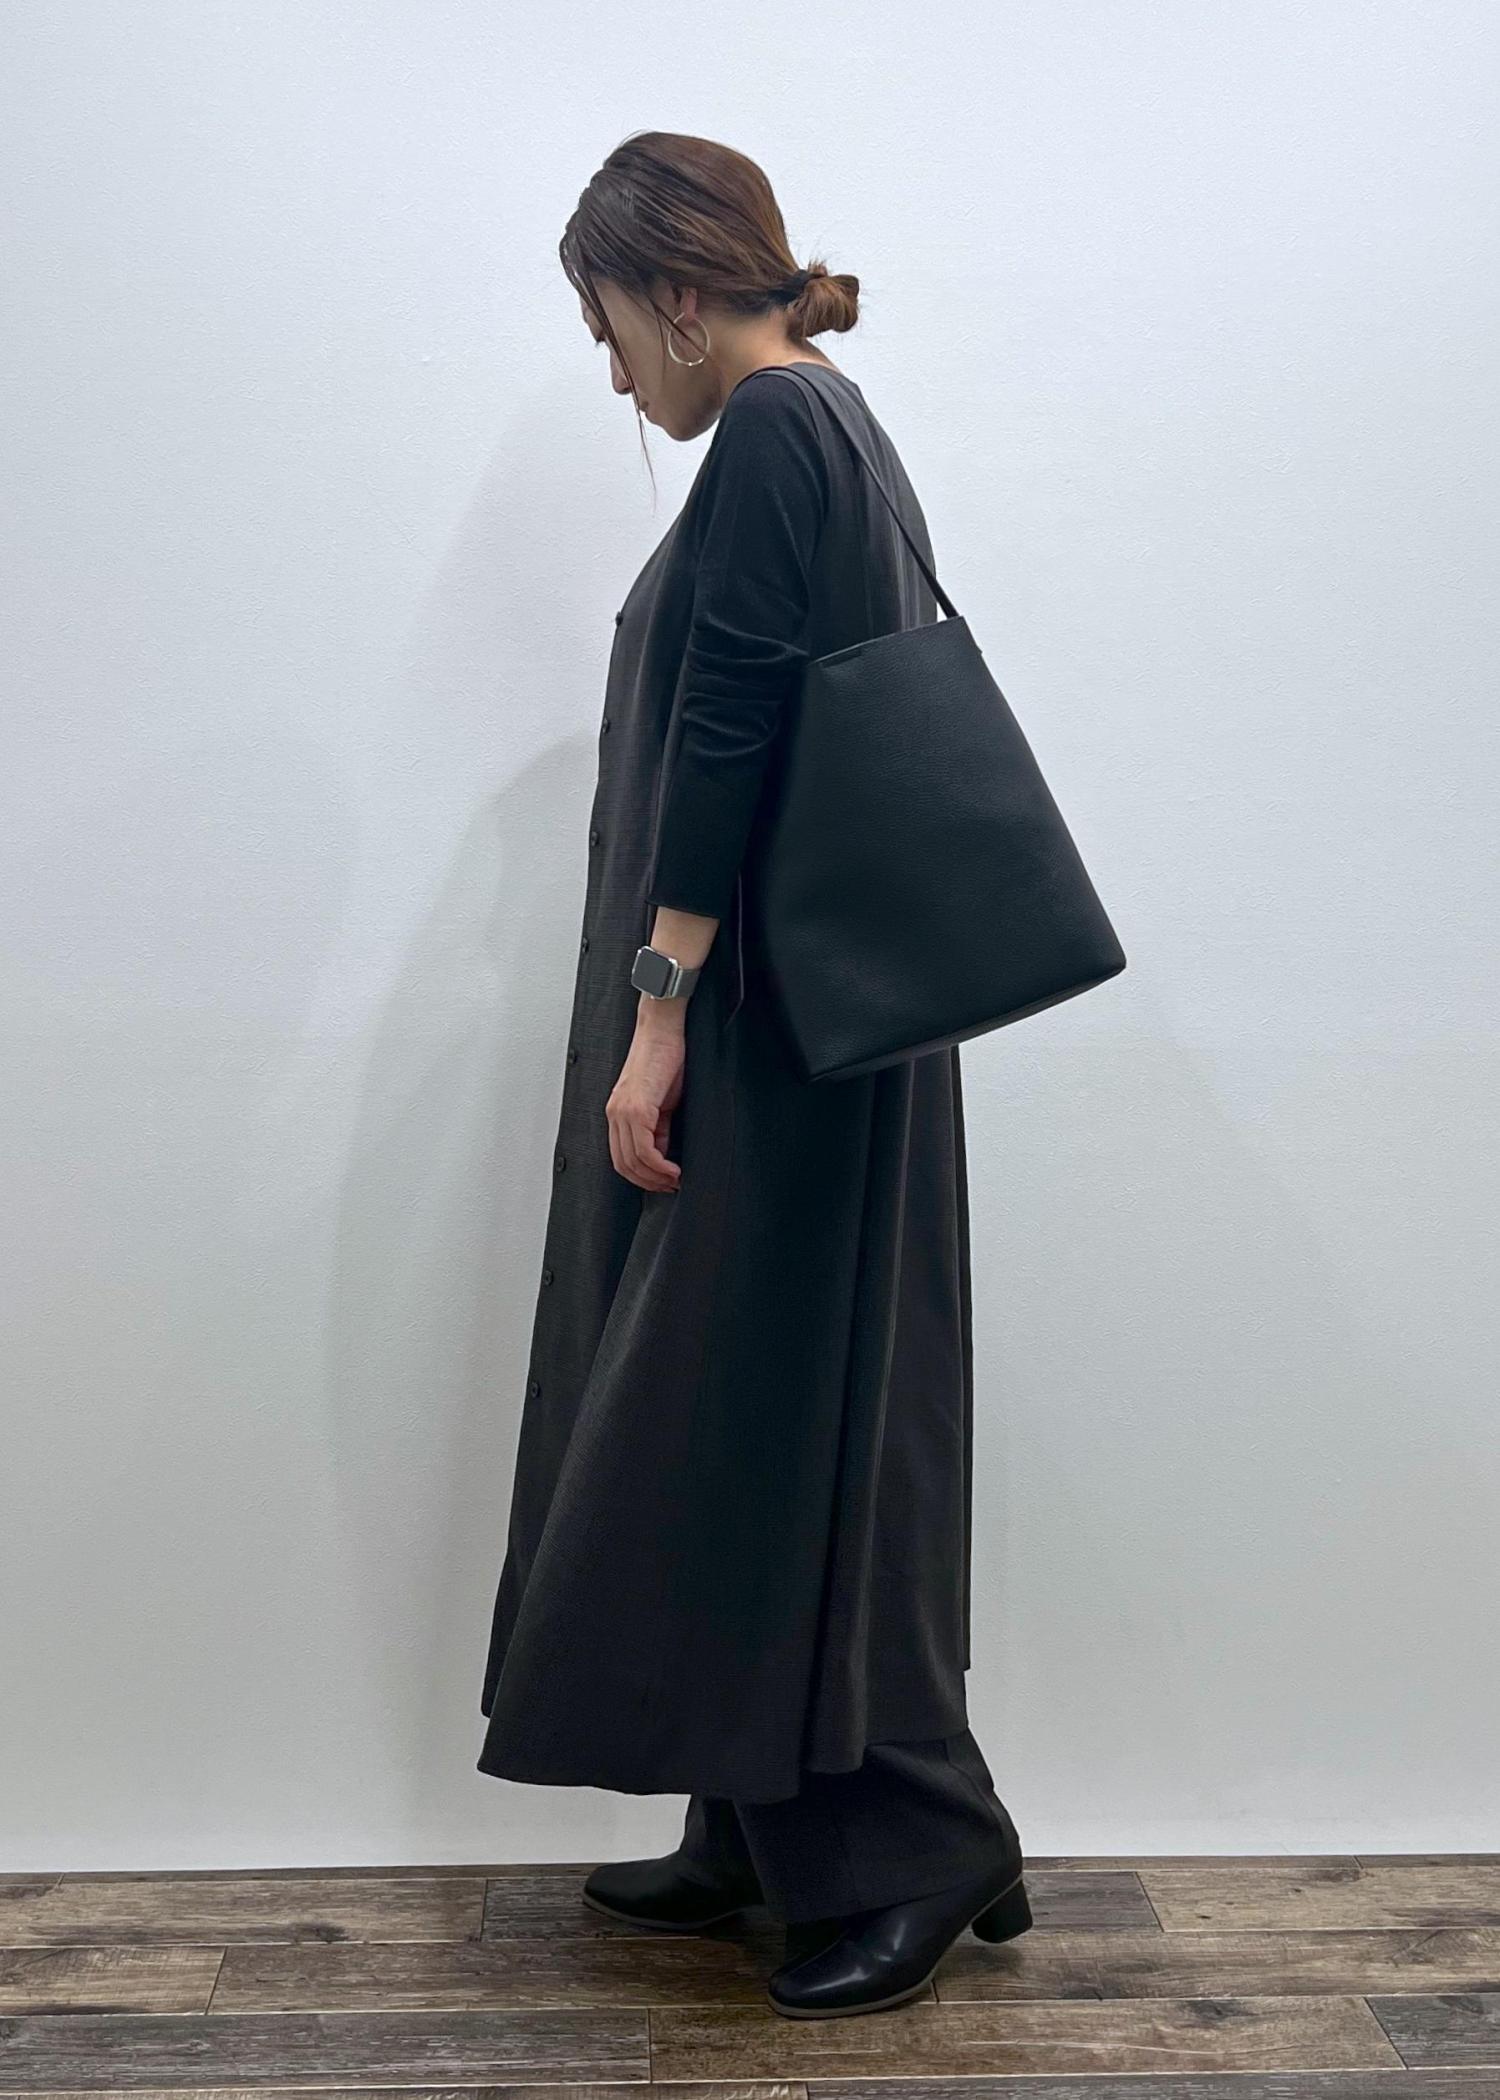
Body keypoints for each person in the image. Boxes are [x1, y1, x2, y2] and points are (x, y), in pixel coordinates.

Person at [475, 129, 1031, 2017]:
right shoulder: (831, 429)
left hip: (767, 1032)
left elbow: (730, 729)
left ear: (677, 291)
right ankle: (758, 1812)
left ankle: (920, 1842)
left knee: (780, 1409)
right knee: (739, 1408)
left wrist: (659, 1013)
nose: (612, 370)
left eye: (607, 326)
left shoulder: (784, 429)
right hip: (805, 1022)